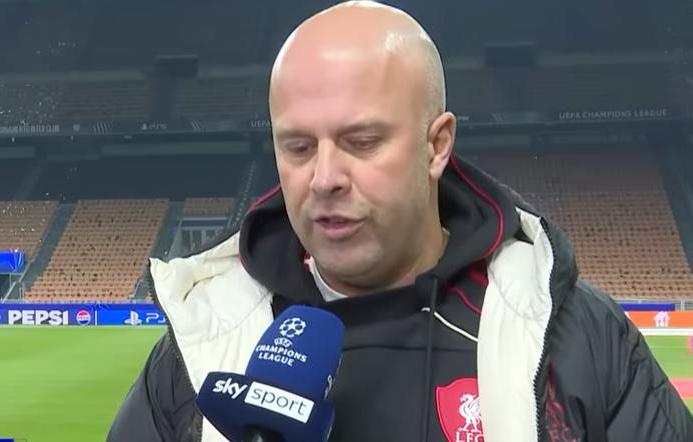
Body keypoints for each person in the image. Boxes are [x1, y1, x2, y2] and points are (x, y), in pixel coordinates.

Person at [107, 2, 692, 441]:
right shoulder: (200, 346)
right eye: (298, 147)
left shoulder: (578, 336)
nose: (324, 177)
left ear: (437, 145)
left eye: (362, 142)